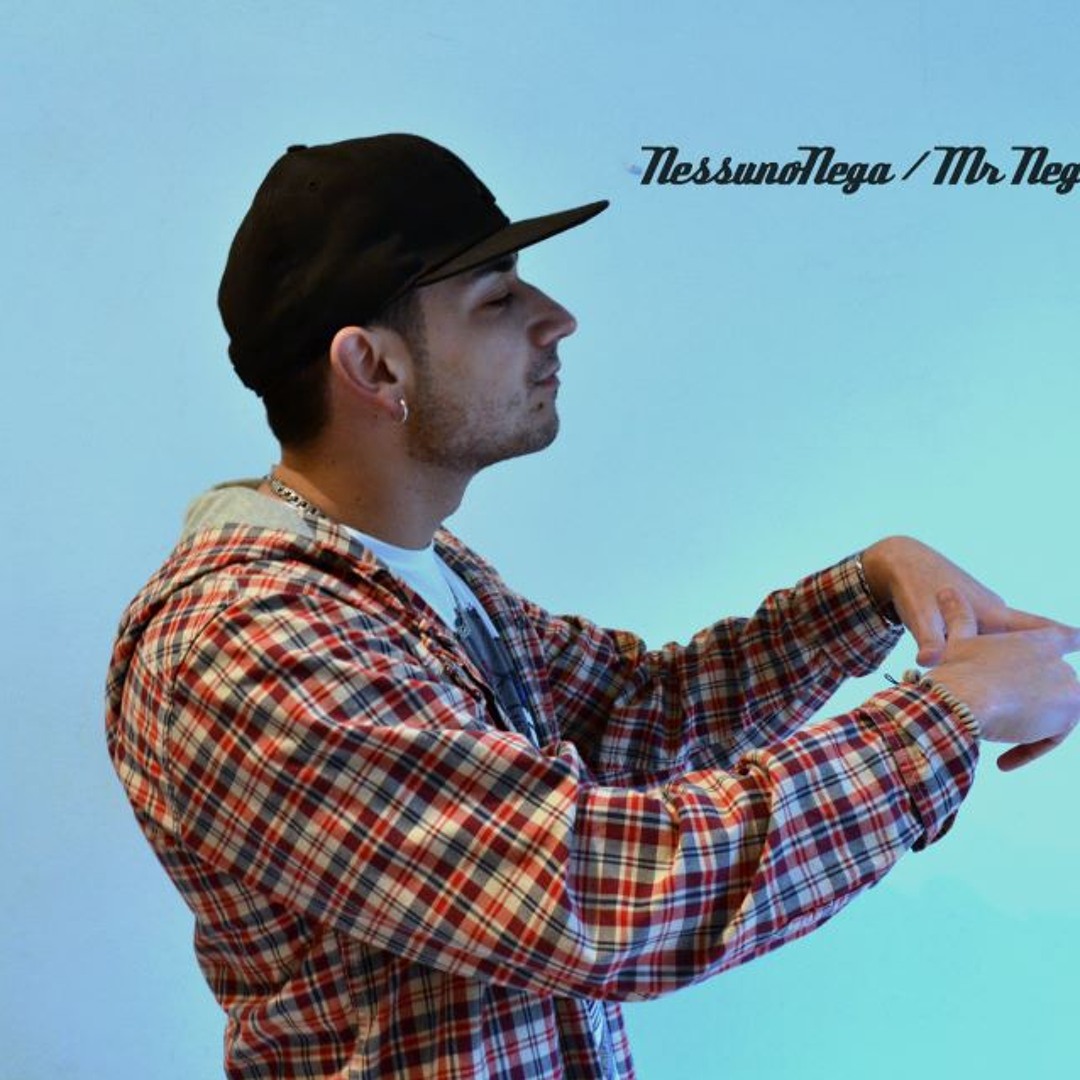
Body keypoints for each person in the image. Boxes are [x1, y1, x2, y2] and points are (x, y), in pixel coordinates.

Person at [105, 134, 1080, 1080]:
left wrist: (867, 590)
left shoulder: (417, 576)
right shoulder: (245, 639)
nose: (557, 318)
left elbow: (637, 716)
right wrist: (947, 715)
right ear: (374, 368)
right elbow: (599, 896)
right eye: (498, 299)